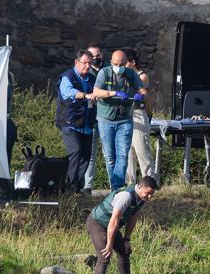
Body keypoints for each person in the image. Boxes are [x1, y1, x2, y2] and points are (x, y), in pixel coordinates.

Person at [87, 175, 159, 274]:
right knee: (104, 256)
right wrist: (109, 244)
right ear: (140, 187)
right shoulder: (125, 197)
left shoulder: (141, 198)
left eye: (152, 194)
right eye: (148, 193)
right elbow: (114, 222)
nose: (149, 197)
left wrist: (127, 239)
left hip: (110, 225)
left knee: (124, 251)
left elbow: (133, 219)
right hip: (98, 223)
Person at [92, 50, 148, 191]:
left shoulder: (131, 74)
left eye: (122, 64)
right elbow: (96, 92)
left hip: (125, 119)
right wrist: (113, 93)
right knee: (110, 156)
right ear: (111, 63)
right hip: (106, 119)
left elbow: (143, 90)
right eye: (116, 64)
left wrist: (140, 95)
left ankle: (117, 187)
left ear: (126, 64)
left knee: (123, 155)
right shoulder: (104, 73)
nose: (119, 67)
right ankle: (114, 186)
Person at [55, 49, 97, 193]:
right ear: (77, 62)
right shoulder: (68, 77)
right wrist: (86, 95)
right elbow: (68, 93)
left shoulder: (92, 79)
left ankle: (76, 188)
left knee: (86, 156)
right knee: (76, 152)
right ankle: (68, 186)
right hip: (70, 123)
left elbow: (98, 93)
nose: (87, 66)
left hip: (87, 124)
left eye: (90, 64)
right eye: (85, 63)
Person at [124, 48, 154, 185]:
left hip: (138, 114)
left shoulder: (142, 76)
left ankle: (149, 180)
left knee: (142, 149)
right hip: (126, 115)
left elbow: (139, 89)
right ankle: (130, 184)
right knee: (128, 152)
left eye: (125, 63)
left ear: (132, 62)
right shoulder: (124, 76)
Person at [82, 42, 106, 194]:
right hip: (91, 118)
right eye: (92, 56)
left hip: (106, 117)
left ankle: (116, 186)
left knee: (110, 152)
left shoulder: (108, 71)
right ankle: (87, 186)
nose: (95, 58)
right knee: (90, 154)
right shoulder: (84, 74)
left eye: (98, 55)